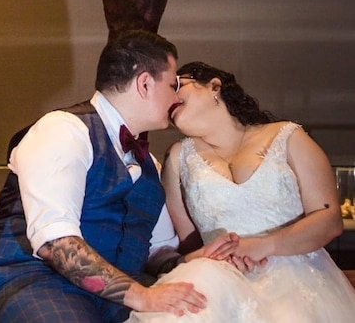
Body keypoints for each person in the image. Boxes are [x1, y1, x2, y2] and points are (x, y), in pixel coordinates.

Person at [0, 30, 235, 322]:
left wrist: (196, 260)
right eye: (173, 85)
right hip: (36, 284)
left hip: (119, 296)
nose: (176, 97)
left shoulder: (151, 167)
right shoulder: (63, 130)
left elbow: (158, 251)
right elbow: (55, 243)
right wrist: (142, 295)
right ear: (145, 83)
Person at [126, 60, 355, 322]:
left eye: (178, 84)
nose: (171, 95)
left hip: (296, 277)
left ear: (214, 86)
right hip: (217, 279)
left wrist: (261, 246)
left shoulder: (287, 136)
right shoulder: (178, 158)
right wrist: (211, 256)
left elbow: (329, 220)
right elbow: (186, 242)